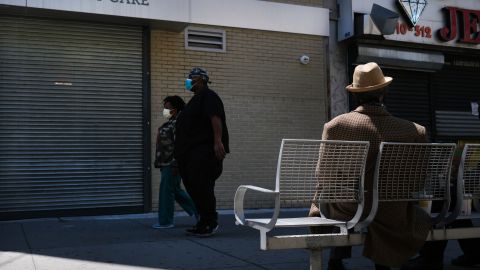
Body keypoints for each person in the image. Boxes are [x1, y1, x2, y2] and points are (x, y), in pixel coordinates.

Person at [309, 62, 431, 270]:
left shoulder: (336, 126)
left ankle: (335, 261)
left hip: (349, 209)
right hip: (394, 210)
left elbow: (324, 177)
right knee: (379, 205)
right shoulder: (414, 131)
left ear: (356, 95)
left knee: (330, 197)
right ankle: (382, 263)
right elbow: (418, 180)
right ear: (385, 92)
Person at [174, 67, 229, 237]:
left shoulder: (208, 96)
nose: (189, 80)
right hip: (188, 155)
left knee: (203, 187)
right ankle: (202, 222)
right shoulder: (194, 100)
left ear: (202, 80)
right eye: (188, 77)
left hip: (203, 152)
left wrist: (218, 141)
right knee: (194, 188)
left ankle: (210, 222)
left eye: (192, 77)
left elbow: (215, 117)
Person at [152, 96, 197, 229]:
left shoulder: (179, 123)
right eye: (164, 107)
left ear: (175, 109)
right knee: (175, 190)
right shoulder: (171, 122)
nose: (165, 110)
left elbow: (180, 145)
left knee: (166, 191)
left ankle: (165, 221)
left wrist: (176, 164)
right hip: (166, 163)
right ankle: (201, 211)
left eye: (167, 107)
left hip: (171, 164)